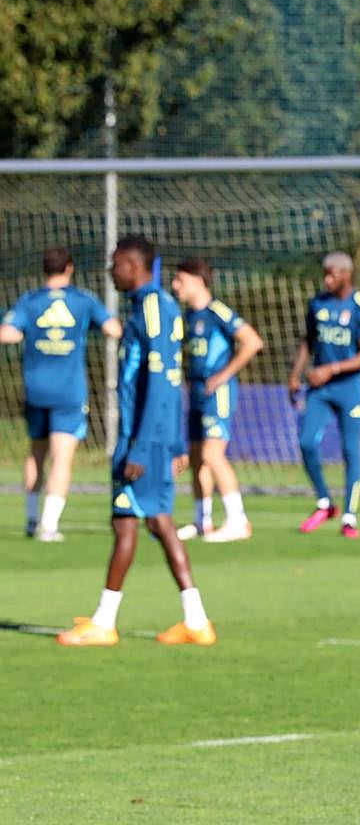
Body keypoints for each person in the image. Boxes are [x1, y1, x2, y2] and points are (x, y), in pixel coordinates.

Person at [57, 235, 216, 647]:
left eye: (115, 264)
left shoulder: (153, 307)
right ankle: (195, 621)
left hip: (144, 441)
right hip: (152, 437)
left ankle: (105, 624)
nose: (110, 271)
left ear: (133, 264)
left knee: (131, 522)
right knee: (151, 522)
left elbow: (163, 383)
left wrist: (144, 448)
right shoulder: (147, 307)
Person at [0, 247, 122, 541]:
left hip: (36, 389)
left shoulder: (31, 301)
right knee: (62, 458)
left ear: (44, 270)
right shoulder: (82, 300)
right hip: (68, 391)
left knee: (36, 454)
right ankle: (49, 525)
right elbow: (113, 329)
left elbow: (7, 334)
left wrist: (32, 335)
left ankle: (31, 519)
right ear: (69, 268)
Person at [171, 257, 263, 542]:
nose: (175, 286)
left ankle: (238, 521)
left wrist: (224, 375)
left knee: (213, 454)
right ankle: (203, 521)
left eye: (180, 280)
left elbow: (252, 341)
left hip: (217, 394)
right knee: (197, 458)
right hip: (196, 392)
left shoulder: (217, 311)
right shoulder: (188, 317)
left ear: (198, 280)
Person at [287, 252, 360, 538]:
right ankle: (324, 502)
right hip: (320, 388)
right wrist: (295, 374)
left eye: (332, 274)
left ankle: (349, 517)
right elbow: (308, 341)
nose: (327, 279)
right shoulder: (317, 303)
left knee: (351, 451)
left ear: (346, 274)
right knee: (306, 442)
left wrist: (333, 368)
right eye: (325, 274)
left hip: (349, 389)